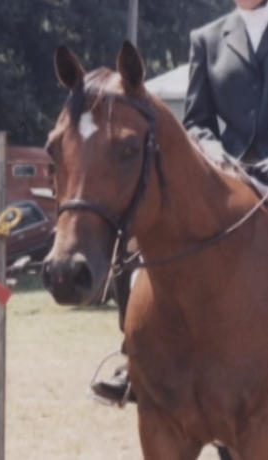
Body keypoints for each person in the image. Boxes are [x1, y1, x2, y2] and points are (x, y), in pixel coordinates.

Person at [93, 1, 268, 458]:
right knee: (138, 249)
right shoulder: (207, 39)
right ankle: (135, 366)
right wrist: (219, 160)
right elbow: (195, 121)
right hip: (222, 173)